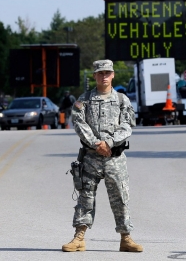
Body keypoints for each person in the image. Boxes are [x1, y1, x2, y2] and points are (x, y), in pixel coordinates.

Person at [62, 59, 142, 253]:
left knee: (121, 198)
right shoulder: (84, 100)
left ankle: (126, 238)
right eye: (100, 73)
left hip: (115, 158)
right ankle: (79, 238)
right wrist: (96, 144)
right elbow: (79, 123)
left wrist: (110, 143)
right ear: (95, 75)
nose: (104, 76)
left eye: (107, 72)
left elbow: (127, 126)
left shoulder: (122, 100)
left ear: (113, 74)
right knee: (85, 197)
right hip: (90, 157)